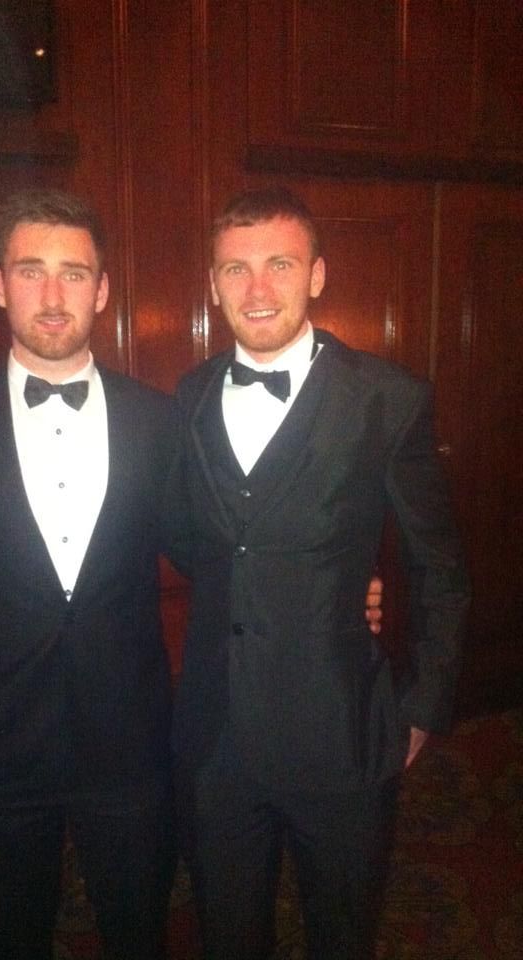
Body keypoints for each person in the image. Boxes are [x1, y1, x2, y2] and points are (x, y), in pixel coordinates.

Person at [164, 186, 470, 960]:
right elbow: (195, 545)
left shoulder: (388, 399)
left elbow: (439, 565)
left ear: (317, 275)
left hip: (341, 734)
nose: (257, 288)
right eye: (235, 268)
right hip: (216, 737)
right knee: (228, 937)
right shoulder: (191, 395)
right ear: (213, 284)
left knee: (342, 935)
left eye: (280, 264)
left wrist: (423, 704)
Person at [0, 188, 177, 960]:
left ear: (102, 289)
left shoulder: (158, 421)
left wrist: (338, 584)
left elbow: (213, 547)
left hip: (128, 746)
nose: (52, 296)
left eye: (73, 274)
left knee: (139, 935)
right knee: (10, 939)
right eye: (30, 271)